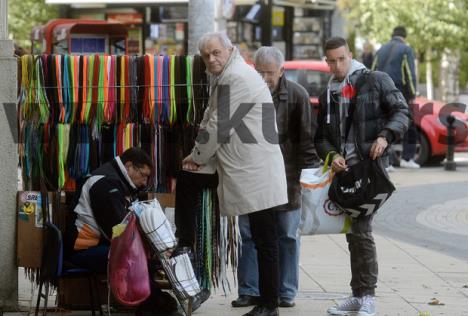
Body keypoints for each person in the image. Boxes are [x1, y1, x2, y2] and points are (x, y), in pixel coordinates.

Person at [180, 32, 288, 316]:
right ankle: (185, 241)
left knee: (266, 238)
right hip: (248, 165)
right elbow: (209, 117)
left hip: (256, 170)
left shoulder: (236, 77)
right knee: (264, 236)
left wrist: (197, 156)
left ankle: (270, 304)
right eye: (206, 55)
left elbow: (218, 126)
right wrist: (197, 155)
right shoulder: (229, 76)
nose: (211, 59)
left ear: (229, 50)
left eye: (216, 53)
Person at [315, 37, 409, 316]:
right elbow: (321, 138)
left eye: (341, 58)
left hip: (370, 171)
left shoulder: (375, 80)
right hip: (345, 175)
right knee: (355, 235)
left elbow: (402, 112)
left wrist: (384, 136)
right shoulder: (328, 92)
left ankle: (367, 297)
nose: (336, 65)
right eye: (331, 60)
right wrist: (332, 157)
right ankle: (359, 295)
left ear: (350, 55)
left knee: (362, 232)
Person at [231, 46, 317, 309]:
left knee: (287, 235)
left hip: (287, 178)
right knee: (248, 235)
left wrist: (307, 178)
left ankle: (286, 291)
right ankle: (249, 289)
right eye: (260, 72)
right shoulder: (245, 91)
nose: (265, 78)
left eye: (270, 73)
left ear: (281, 71)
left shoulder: (296, 95)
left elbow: (305, 140)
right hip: (252, 176)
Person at [63, 147, 183, 316]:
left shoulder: (115, 180)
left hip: (97, 244)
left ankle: (152, 304)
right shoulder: (105, 183)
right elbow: (118, 230)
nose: (144, 182)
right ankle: (155, 304)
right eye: (143, 175)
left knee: (144, 259)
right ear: (129, 166)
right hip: (83, 248)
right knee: (133, 260)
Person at [373, 26, 419, 169]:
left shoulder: (380, 50)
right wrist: (412, 94)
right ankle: (407, 158)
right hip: (399, 93)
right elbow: (410, 75)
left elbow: (372, 71)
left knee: (384, 125)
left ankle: (387, 162)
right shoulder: (406, 49)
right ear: (404, 36)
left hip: (379, 92)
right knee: (408, 123)